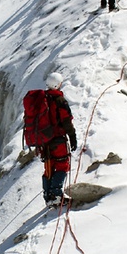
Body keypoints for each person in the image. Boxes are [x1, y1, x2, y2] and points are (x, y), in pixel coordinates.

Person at [40, 72, 78, 207]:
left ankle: (48, 196)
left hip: (44, 142)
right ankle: (56, 195)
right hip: (58, 139)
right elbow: (66, 120)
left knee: (49, 167)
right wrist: (72, 137)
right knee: (62, 164)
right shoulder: (59, 100)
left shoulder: (42, 99)